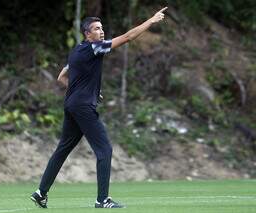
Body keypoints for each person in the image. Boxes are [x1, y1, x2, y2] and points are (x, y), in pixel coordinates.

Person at [30, 7, 168, 209]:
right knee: (104, 150)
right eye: (96, 29)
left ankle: (40, 193)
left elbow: (62, 77)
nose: (101, 31)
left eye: (102, 28)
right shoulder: (95, 47)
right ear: (87, 34)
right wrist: (152, 20)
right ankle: (102, 200)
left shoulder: (76, 50)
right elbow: (129, 37)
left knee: (63, 149)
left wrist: (87, 90)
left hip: (72, 104)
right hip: (83, 107)